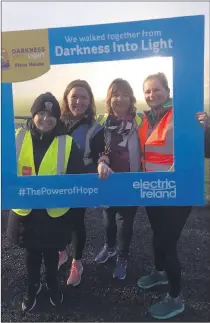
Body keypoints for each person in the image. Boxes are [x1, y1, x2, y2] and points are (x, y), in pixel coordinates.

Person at [136, 72, 209, 320]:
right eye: (147, 91)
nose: (151, 95)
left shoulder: (182, 114)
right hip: (152, 192)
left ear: (167, 92)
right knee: (158, 237)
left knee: (167, 243)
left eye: (156, 90)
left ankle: (176, 298)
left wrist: (207, 128)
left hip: (177, 193)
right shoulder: (146, 119)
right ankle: (160, 273)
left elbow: (205, 149)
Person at [7, 92, 85, 312]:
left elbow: (77, 176)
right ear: (33, 115)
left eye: (51, 114)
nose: (45, 119)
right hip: (26, 211)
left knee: (52, 253)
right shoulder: (16, 137)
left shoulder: (67, 142)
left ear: (57, 118)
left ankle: (52, 284)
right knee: (31, 253)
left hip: (54, 213)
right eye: (40, 113)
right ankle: (33, 286)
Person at [94, 78, 143, 280]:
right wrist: (102, 160)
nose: (120, 99)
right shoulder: (101, 122)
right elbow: (97, 149)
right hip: (106, 181)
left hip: (130, 181)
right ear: (109, 98)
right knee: (107, 220)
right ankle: (110, 247)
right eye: (115, 94)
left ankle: (123, 257)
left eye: (124, 94)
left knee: (125, 223)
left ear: (131, 98)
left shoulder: (140, 121)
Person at [58, 80, 104, 287]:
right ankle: (61, 252)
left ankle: (77, 262)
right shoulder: (55, 122)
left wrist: (103, 163)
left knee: (76, 222)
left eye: (83, 97)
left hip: (80, 182)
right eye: (74, 97)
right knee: (57, 219)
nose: (78, 101)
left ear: (90, 100)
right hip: (57, 181)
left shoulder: (94, 128)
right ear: (66, 99)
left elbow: (100, 155)